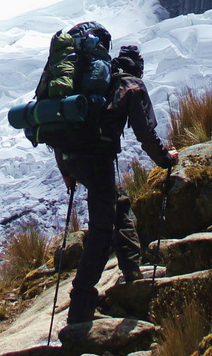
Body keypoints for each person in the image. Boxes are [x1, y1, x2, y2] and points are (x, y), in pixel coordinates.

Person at [55, 43, 178, 326]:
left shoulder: (96, 83)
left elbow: (65, 124)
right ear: (138, 67)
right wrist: (165, 159)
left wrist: (66, 168)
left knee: (119, 202)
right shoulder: (131, 85)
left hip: (72, 159)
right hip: (97, 160)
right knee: (102, 230)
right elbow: (145, 132)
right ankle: (81, 306)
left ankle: (131, 271)